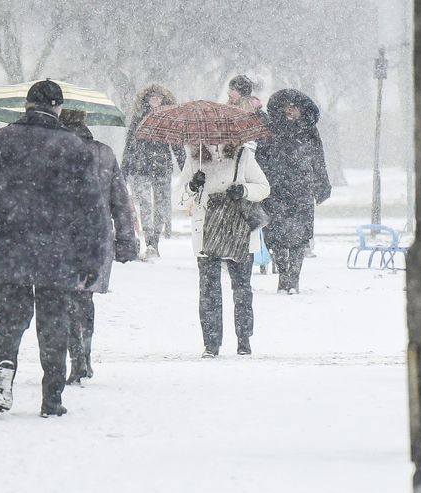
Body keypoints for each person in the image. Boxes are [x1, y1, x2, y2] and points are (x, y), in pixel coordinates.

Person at [0, 80, 108, 417]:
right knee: (54, 324)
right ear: (58, 108)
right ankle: (52, 397)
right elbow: (92, 208)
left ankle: (5, 362)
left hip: (8, 244)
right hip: (56, 252)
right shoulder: (73, 147)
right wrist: (91, 256)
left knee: (9, 320)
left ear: (26, 105)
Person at [60, 109, 139, 384]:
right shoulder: (104, 153)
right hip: (97, 237)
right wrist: (126, 239)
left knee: (65, 299)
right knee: (85, 298)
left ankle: (76, 357)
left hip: (63, 236)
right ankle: (86, 354)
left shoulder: (56, 153)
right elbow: (121, 201)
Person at [177, 143, 270, 358]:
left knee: (242, 289)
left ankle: (244, 340)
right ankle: (211, 343)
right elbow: (179, 199)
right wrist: (192, 186)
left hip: (238, 229)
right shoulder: (195, 157)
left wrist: (244, 190)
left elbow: (264, 187)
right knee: (209, 291)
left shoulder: (243, 155)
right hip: (206, 231)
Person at [255, 89, 331, 294]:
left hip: (302, 189)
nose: (289, 110)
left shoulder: (309, 131)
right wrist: (259, 182)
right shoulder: (271, 129)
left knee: (299, 237)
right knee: (277, 236)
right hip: (276, 189)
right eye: (286, 106)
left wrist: (322, 184)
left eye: (294, 107)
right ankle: (283, 275)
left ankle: (294, 279)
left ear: (301, 110)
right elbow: (261, 156)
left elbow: (318, 159)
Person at [122, 84, 185, 258]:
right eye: (152, 97)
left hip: (162, 167)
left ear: (164, 100)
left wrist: (186, 169)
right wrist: (124, 172)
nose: (155, 100)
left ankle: (155, 239)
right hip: (140, 167)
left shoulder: (169, 119)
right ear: (146, 100)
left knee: (161, 205)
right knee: (145, 205)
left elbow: (177, 146)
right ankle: (149, 240)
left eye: (159, 97)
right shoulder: (138, 118)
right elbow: (129, 146)